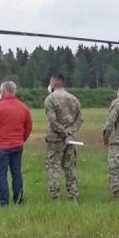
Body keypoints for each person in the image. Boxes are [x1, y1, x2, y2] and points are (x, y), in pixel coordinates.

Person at [0, 81, 32, 206]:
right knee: (17, 173)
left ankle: (4, 202)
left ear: (3, 91)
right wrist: (22, 139)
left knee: (1, 176)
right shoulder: (23, 107)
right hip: (17, 145)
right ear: (14, 91)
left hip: (0, 146)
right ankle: (19, 200)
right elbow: (28, 127)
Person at [44, 73, 83, 201]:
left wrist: (62, 131)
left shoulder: (50, 99)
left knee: (53, 167)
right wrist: (69, 131)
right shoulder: (74, 99)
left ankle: (55, 196)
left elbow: (52, 120)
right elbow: (79, 119)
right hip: (70, 139)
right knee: (70, 167)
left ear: (53, 83)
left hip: (55, 139)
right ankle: (73, 195)